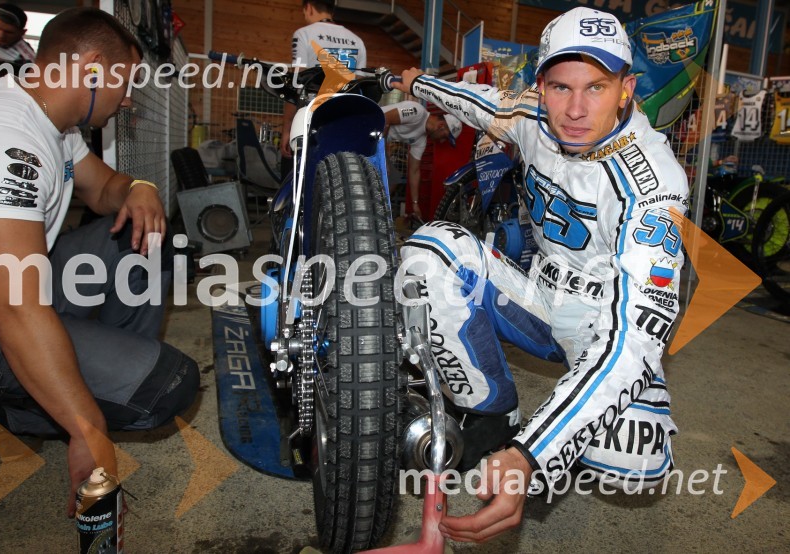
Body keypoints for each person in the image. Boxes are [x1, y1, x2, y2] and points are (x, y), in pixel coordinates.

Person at [393, 7, 687, 542]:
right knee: (427, 255)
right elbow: (472, 100)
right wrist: (417, 82)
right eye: (560, 87)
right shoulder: (529, 115)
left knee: (632, 456)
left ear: (626, 90)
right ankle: (490, 415)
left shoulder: (654, 186)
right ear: (541, 86)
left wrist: (533, 456)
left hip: (603, 324)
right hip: (540, 298)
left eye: (596, 87)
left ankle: (550, 432)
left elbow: (634, 338)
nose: (574, 110)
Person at [0, 7, 199, 518]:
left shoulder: (52, 121)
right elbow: (13, 306)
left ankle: (82, 375)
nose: (128, 98)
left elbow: (104, 187)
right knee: (168, 386)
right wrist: (88, 428)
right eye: (125, 82)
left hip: (14, 286)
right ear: (91, 69)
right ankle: (19, 407)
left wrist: (140, 188)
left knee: (150, 237)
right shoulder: (3, 139)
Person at [279, 0, 366, 176]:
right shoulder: (358, 41)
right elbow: (360, 87)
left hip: (311, 120)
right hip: (343, 121)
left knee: (295, 175)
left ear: (309, 7)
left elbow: (297, 83)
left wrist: (287, 128)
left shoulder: (303, 34)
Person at [381, 100, 463, 221]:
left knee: (394, 177)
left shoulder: (421, 140)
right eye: (444, 137)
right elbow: (385, 118)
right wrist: (383, 157)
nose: (441, 141)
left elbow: (414, 171)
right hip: (367, 124)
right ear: (441, 126)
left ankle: (375, 208)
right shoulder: (417, 112)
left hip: (377, 139)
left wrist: (415, 204)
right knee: (386, 171)